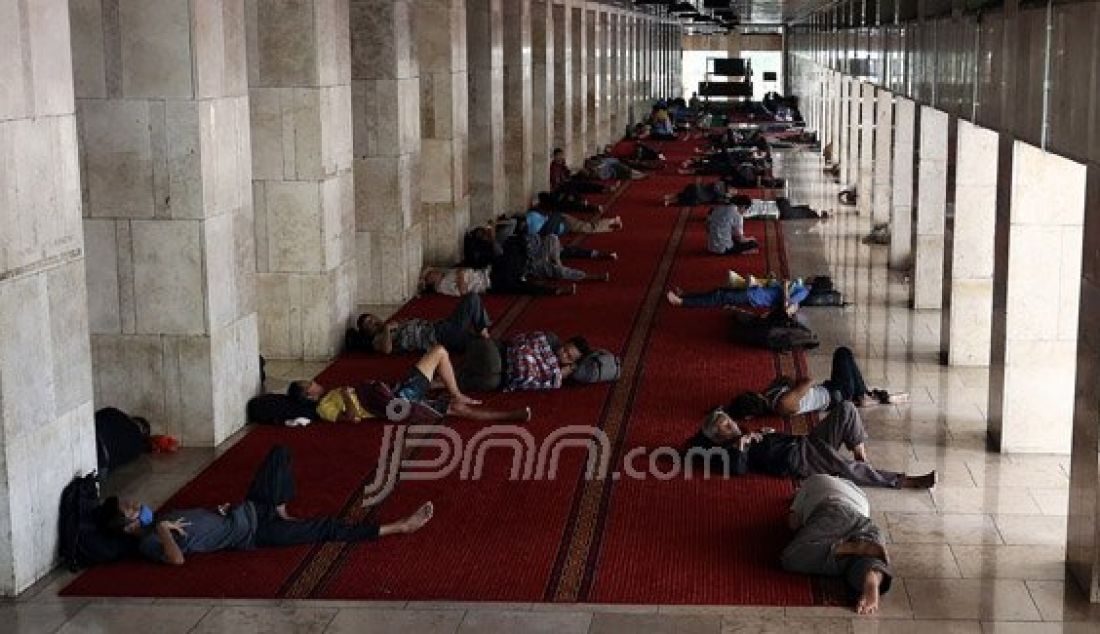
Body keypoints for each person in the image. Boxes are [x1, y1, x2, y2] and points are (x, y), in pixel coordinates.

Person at [103, 445, 434, 566]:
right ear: (129, 526)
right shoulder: (149, 540)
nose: (137, 504)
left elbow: (195, 523)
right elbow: (176, 561)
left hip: (246, 508)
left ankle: (281, 509)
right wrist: (161, 529)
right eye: (130, 509)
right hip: (256, 531)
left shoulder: (158, 521)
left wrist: (217, 509)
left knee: (279, 454)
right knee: (326, 528)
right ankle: (399, 526)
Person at [684, 403, 936, 489]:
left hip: (805, 442)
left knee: (846, 409)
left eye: (728, 421)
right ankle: (902, 481)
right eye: (725, 427)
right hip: (798, 459)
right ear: (718, 438)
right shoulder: (731, 450)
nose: (732, 425)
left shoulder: (749, 433)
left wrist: (768, 434)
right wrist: (741, 445)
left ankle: (861, 456)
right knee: (843, 467)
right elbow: (738, 470)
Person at [289, 344, 532, 422]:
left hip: (392, 392)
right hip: (394, 404)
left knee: (439, 352)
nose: (314, 382)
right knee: (455, 409)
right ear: (307, 395)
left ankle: (456, 392)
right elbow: (351, 418)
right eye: (308, 384)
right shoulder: (323, 408)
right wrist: (346, 395)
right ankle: (508, 415)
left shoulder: (330, 391)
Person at [781, 475, 893, 615]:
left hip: (831, 512)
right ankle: (871, 578)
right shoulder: (858, 491)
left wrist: (796, 508)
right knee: (863, 560)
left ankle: (850, 549)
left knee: (792, 556)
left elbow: (793, 523)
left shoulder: (812, 482)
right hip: (865, 524)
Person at [750, 347, 909, 416]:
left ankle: (865, 394)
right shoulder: (783, 402)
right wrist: (795, 386)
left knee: (846, 363)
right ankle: (863, 395)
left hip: (832, 391)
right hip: (836, 394)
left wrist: (794, 387)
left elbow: (788, 381)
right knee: (843, 352)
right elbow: (807, 381)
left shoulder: (775, 400)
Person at [354, 292, 491, 355]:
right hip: (437, 338)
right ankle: (485, 339)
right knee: (482, 346)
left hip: (440, 327)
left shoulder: (392, 322)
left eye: (371, 318)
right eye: (368, 324)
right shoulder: (378, 339)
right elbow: (387, 350)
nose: (373, 322)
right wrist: (386, 329)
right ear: (367, 332)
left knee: (472, 298)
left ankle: (484, 333)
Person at [666, 277, 811, 315]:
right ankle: (687, 296)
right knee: (719, 292)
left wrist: (785, 287)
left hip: (754, 297)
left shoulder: (803, 292)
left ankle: (682, 302)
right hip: (755, 290)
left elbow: (786, 307)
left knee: (719, 297)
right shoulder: (800, 287)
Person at [418, 266, 491, 297]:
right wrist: (461, 275)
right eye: (431, 274)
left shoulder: (444, 274)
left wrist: (461, 272)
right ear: (431, 281)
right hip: (485, 282)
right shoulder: (442, 286)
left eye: (433, 271)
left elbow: (461, 269)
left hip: (483, 272)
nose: (435, 271)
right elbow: (462, 291)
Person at [662, 179, 728, 207]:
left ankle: (671, 200)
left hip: (700, 197)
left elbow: (716, 201)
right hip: (699, 189)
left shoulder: (726, 196)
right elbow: (713, 186)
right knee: (691, 192)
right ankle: (671, 197)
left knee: (692, 200)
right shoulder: (722, 183)